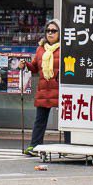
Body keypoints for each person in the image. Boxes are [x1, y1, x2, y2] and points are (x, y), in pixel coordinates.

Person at [24, 19, 66, 155]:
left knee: (66, 118)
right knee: (40, 120)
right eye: (48, 31)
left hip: (60, 89)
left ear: (60, 33)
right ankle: (34, 146)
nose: (50, 33)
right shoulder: (41, 49)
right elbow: (35, 68)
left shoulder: (65, 48)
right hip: (44, 89)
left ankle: (69, 146)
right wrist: (26, 64)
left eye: (54, 31)